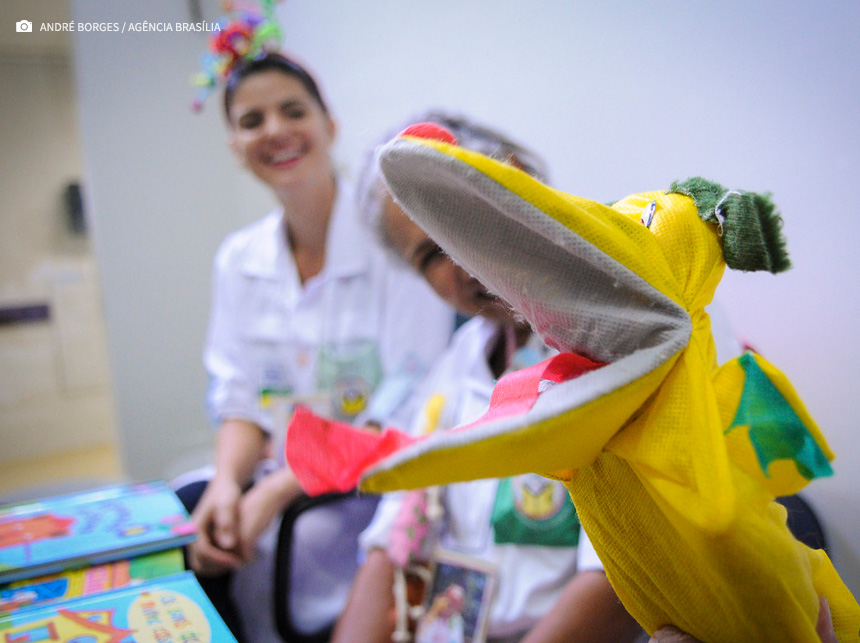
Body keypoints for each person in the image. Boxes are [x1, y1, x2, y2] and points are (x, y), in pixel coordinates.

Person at [175, 45, 454, 642]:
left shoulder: (396, 246)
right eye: (251, 121)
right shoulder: (239, 260)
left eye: (292, 111)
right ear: (235, 147)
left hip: (366, 497)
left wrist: (276, 491)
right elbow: (240, 399)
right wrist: (229, 484)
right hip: (273, 491)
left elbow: (405, 416)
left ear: (329, 125)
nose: (274, 130)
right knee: (184, 513)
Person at [332, 112, 642, 643]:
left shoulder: (621, 347)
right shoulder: (467, 353)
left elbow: (622, 579)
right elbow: (395, 527)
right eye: (431, 252)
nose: (463, 257)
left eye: (468, 217)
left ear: (522, 184)